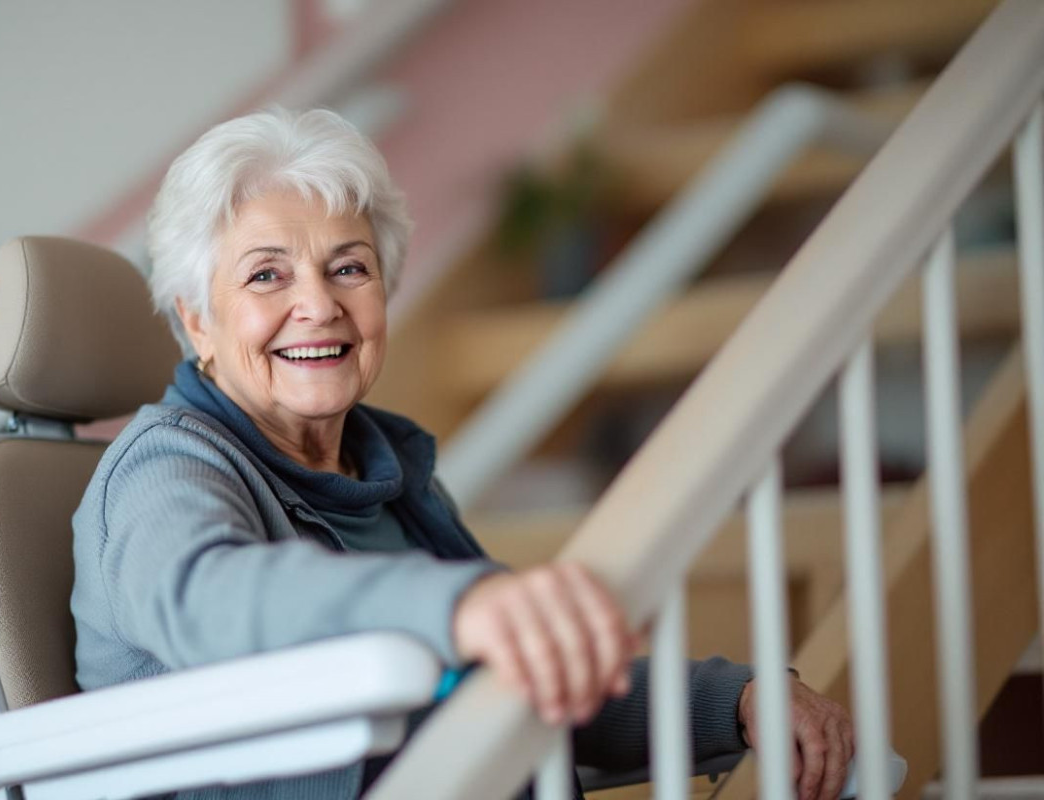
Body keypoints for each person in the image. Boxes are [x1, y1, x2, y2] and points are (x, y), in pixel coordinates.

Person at [70, 107, 853, 800]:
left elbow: (522, 685)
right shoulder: (164, 467)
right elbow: (212, 598)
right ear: (198, 319)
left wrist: (738, 699)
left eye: (349, 267)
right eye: (266, 275)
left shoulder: (383, 477)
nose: (318, 304)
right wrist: (458, 607)